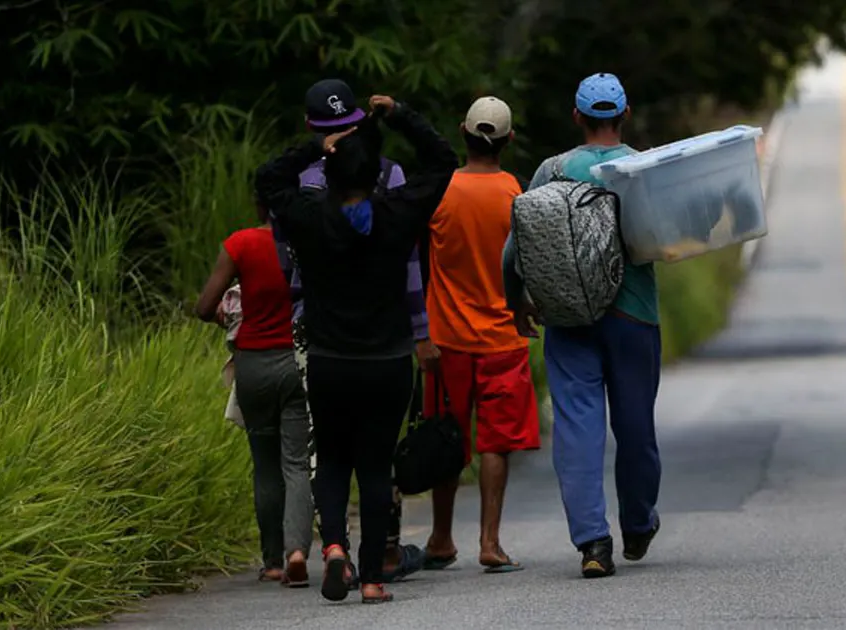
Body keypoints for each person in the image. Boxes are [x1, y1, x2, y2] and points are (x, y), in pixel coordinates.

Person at [254, 88, 456, 604]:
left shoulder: (308, 217)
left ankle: (336, 549)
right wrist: (399, 116)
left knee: (335, 461)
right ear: (374, 176)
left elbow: (268, 181)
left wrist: (318, 145)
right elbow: (442, 159)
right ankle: (370, 580)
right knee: (373, 467)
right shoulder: (397, 213)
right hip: (387, 362)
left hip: (328, 360)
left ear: (331, 174)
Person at [501, 72, 662, 579]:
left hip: (568, 317)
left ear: (577, 117)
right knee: (635, 425)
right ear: (625, 114)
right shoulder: (642, 167)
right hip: (633, 316)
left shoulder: (552, 170)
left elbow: (517, 244)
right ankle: (637, 524)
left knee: (577, 428)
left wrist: (517, 302)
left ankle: (594, 542)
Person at [420, 96, 540, 574]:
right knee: (495, 443)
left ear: (461, 133)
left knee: (448, 438)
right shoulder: (519, 195)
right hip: (503, 340)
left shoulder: (438, 192)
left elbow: (417, 264)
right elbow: (529, 265)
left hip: (445, 338)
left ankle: (440, 537)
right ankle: (490, 543)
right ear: (509, 141)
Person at [194, 200, 314, 588]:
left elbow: (203, 307)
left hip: (253, 367)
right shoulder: (306, 242)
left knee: (264, 464)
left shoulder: (240, 244)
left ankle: (273, 561)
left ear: (260, 205)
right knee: (295, 463)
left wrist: (224, 314)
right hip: (296, 362)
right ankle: (298, 550)